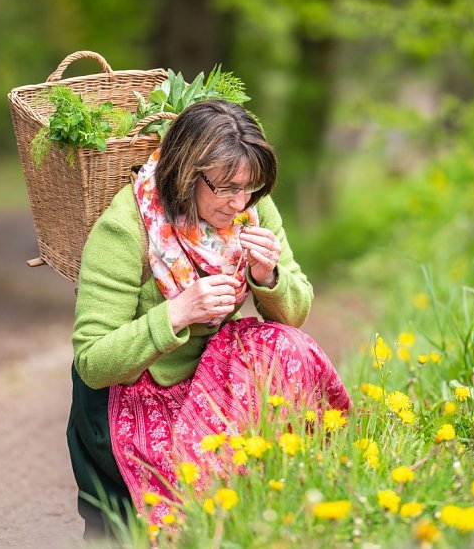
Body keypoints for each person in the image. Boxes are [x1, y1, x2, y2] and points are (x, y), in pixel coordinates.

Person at [66, 99, 351, 537]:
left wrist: (267, 274)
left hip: (215, 373)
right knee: (187, 484)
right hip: (139, 388)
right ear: (186, 174)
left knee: (286, 347)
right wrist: (176, 313)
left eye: (250, 187)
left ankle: (284, 502)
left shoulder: (252, 208)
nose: (239, 202)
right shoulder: (126, 227)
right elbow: (92, 360)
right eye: (226, 188)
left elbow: (295, 315)